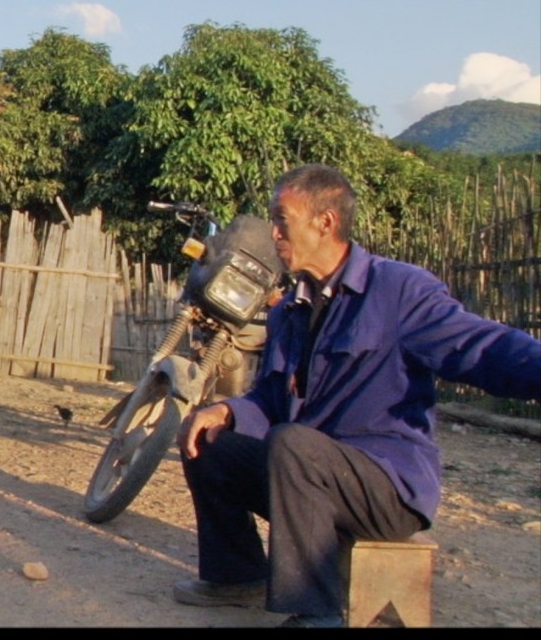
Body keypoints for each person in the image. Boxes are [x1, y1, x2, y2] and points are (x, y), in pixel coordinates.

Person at [171, 163, 541, 627]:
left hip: (386, 490)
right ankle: (237, 573)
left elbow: (482, 347)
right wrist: (229, 409)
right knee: (207, 436)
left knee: (293, 443)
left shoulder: (399, 290)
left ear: (325, 222)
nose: (274, 233)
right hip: (310, 479)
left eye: (281, 218)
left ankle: (317, 612)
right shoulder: (290, 308)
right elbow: (270, 397)